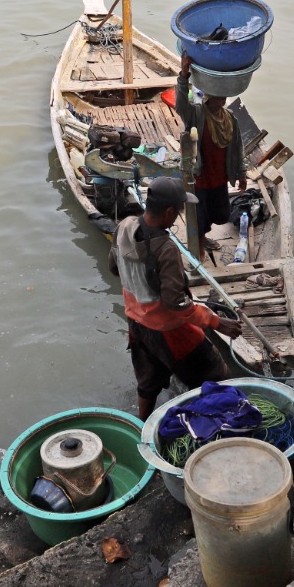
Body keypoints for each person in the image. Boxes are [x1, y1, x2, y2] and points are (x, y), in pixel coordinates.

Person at [109, 177, 242, 419]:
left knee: (149, 380)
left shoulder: (124, 226)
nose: (177, 217)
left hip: (137, 325)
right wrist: (216, 322)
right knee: (216, 375)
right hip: (169, 330)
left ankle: (142, 425)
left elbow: (114, 268)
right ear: (169, 212)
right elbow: (175, 303)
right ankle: (221, 425)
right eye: (178, 212)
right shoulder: (165, 248)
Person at [177, 54, 247, 235]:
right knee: (200, 219)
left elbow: (238, 147)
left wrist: (242, 174)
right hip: (200, 176)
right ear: (208, 97)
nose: (222, 100)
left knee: (222, 215)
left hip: (220, 177)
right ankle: (199, 244)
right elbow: (180, 105)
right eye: (217, 97)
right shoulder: (196, 114)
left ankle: (203, 237)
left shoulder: (230, 118)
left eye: (223, 97)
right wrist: (183, 75)